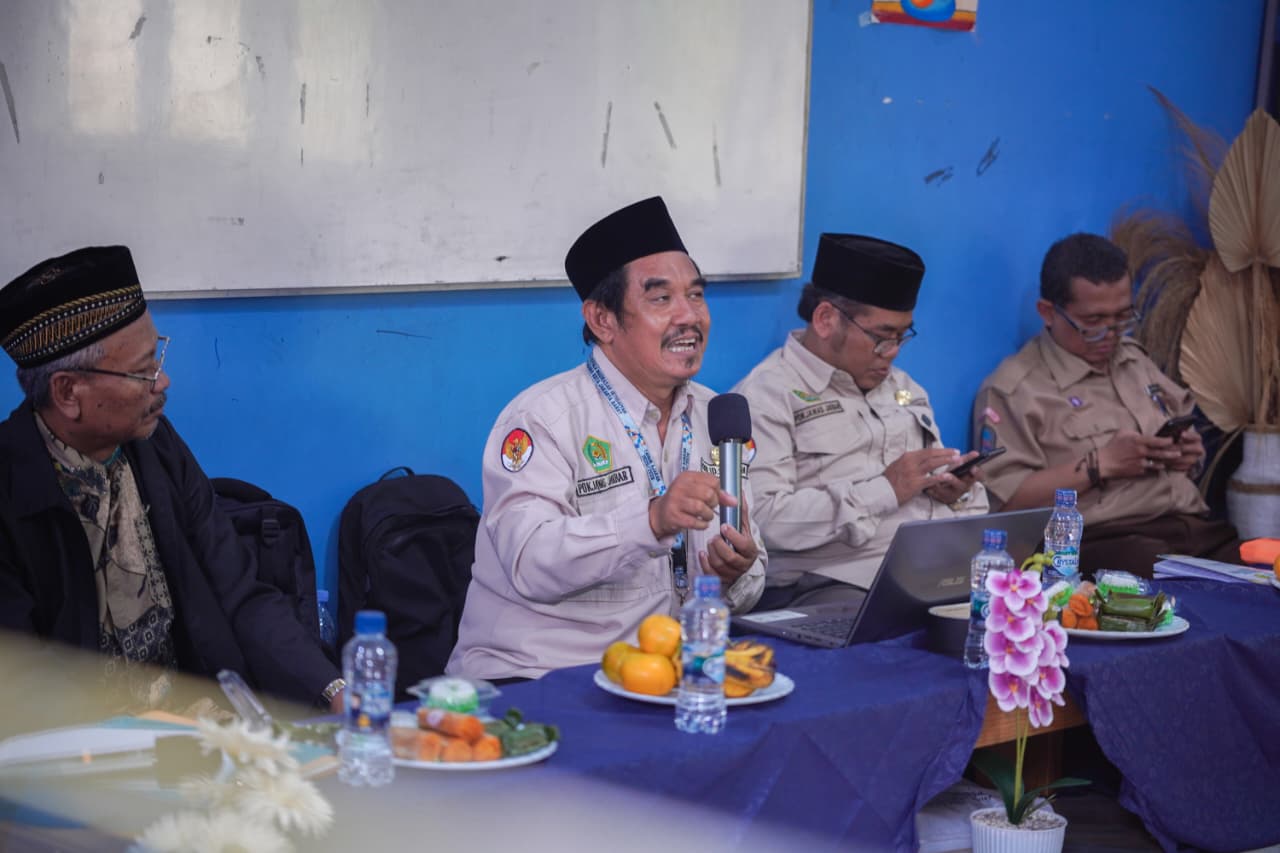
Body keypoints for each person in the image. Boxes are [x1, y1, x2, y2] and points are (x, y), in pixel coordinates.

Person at [0, 246, 345, 715]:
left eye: (157, 359)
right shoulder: (11, 490)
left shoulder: (156, 447)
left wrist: (332, 689)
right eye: (143, 371)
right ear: (67, 393)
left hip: (200, 725)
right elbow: (20, 685)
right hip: (80, 748)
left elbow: (240, 592)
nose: (162, 382)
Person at [447, 197, 766, 680]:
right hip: (540, 675)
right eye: (661, 299)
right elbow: (529, 561)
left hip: (667, 673)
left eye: (696, 295)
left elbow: (752, 577)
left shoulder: (718, 418)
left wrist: (734, 574)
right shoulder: (544, 419)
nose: (690, 316)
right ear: (603, 320)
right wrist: (651, 520)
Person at [733, 233, 988, 609]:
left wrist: (956, 493)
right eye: (881, 337)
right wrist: (886, 490)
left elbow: (935, 489)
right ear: (825, 320)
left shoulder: (904, 387)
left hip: (931, 571)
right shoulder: (766, 396)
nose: (893, 352)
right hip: (830, 585)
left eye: (902, 336)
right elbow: (763, 522)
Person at [972, 232, 1240, 577]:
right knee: (1163, 574)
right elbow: (1006, 506)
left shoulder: (1134, 361)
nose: (1111, 334)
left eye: (1122, 318)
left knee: (1259, 568)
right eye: (1093, 322)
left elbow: (1186, 443)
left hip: (1189, 527)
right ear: (1048, 313)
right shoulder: (1016, 390)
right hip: (1103, 539)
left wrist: (1188, 454)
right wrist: (1100, 465)